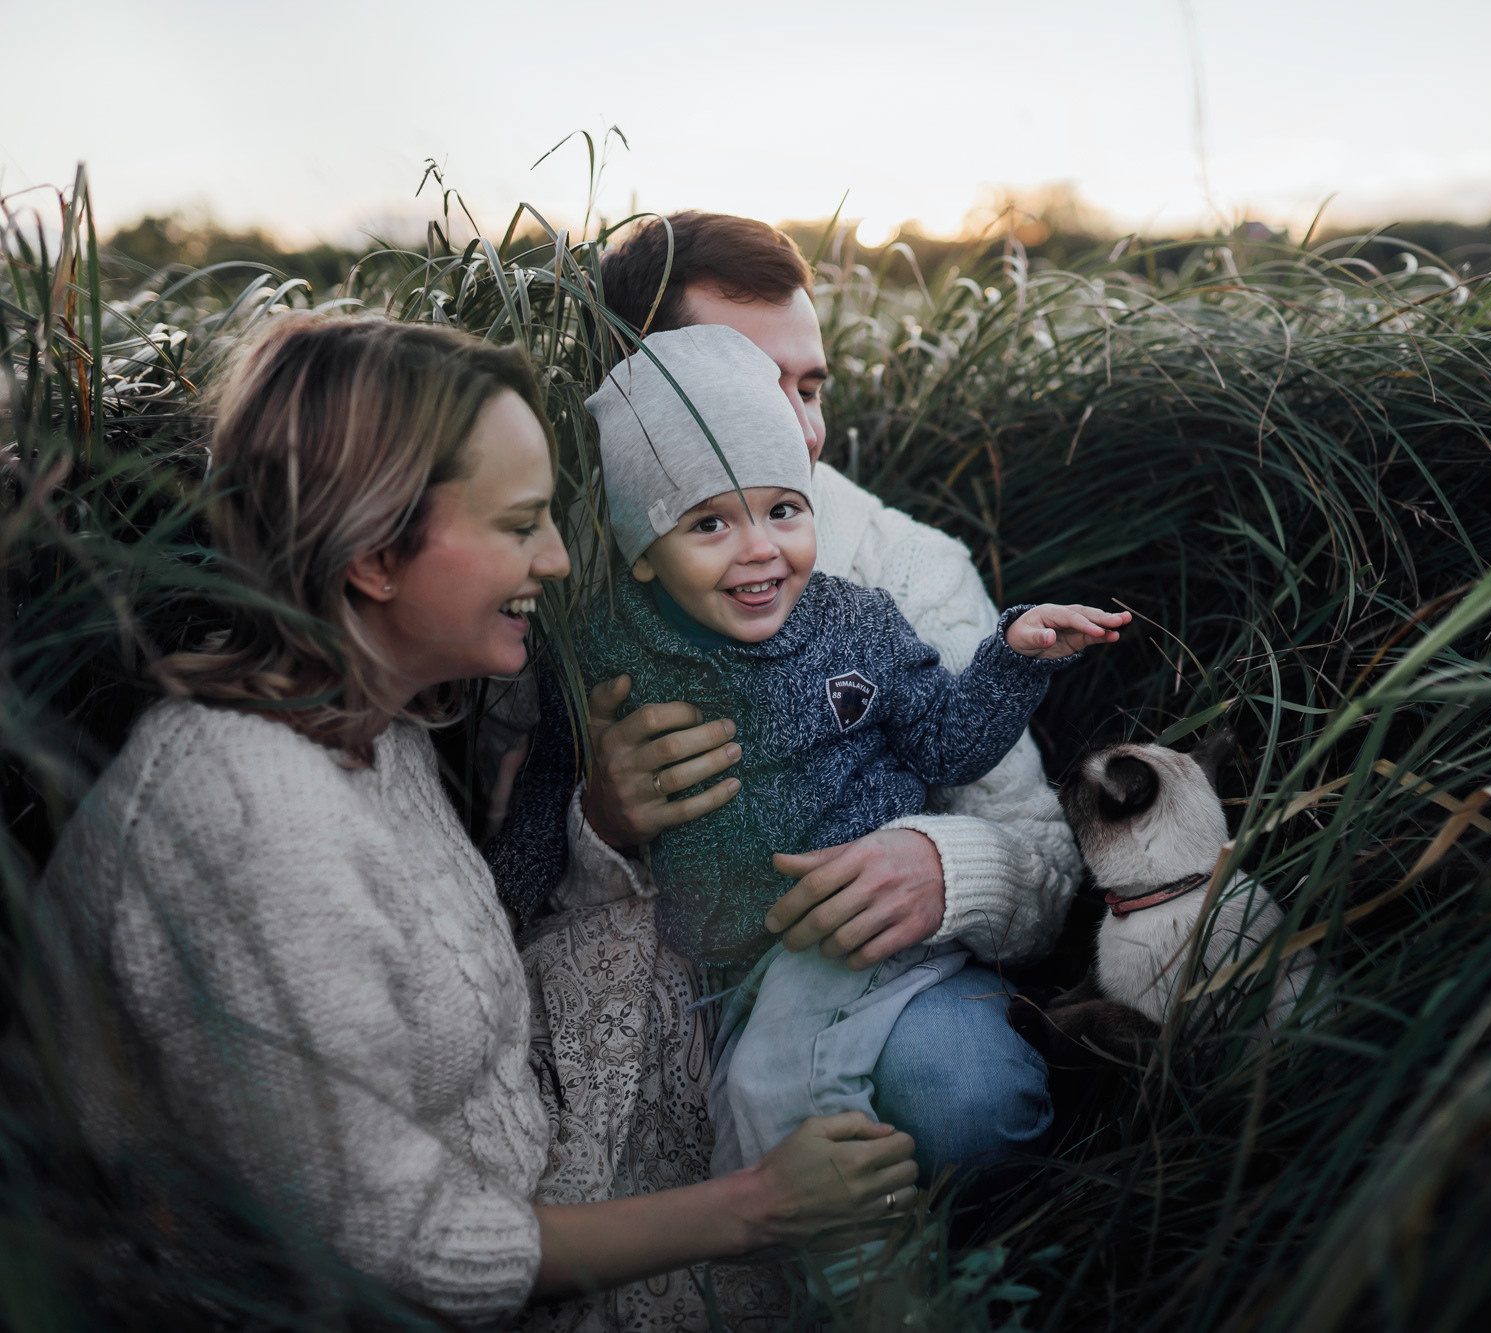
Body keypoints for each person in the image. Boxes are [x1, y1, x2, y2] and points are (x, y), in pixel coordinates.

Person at [38, 314, 918, 1331]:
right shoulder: (247, 818)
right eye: (519, 524)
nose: (557, 559)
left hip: (536, 1180)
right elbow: (400, 1247)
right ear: (375, 555)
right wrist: (754, 1205)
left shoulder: (381, 724)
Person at [487, 213, 1084, 1176]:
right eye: (753, 386)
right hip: (660, 958)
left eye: (810, 387)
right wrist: (598, 822)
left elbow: (1045, 864)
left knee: (964, 1099)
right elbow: (508, 864)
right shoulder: (560, 579)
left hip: (860, 966)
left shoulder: (902, 569)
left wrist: (945, 867)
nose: (799, 429)